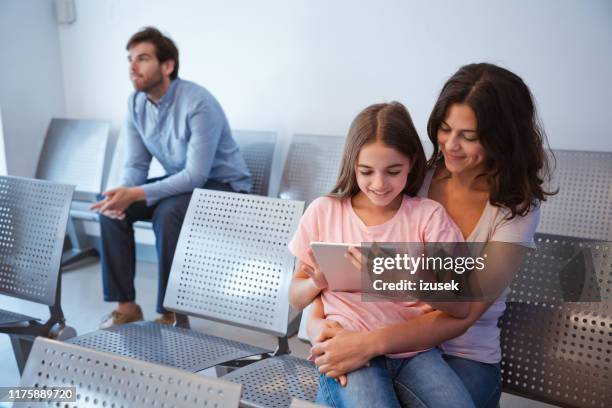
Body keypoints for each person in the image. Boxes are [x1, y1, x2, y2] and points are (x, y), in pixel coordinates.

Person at [307, 63, 553, 408]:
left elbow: (464, 314)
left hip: (464, 352)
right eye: (445, 129)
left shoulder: (515, 209)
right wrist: (318, 322)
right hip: (376, 332)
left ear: (502, 138)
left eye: (468, 136)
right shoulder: (410, 178)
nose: (451, 145)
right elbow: (332, 262)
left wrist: (370, 342)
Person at [288, 102, 477, 408]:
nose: (378, 184)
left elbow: (460, 306)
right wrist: (316, 283)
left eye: (393, 171)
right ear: (352, 165)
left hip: (415, 351)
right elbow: (295, 296)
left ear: (412, 163)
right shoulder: (324, 211)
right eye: (366, 172)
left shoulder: (429, 216)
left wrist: (402, 277)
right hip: (345, 343)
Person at [91, 27, 252, 328]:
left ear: (168, 66)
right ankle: (126, 306)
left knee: (168, 213)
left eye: (143, 58)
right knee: (110, 207)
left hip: (225, 186)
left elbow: (196, 175)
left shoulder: (198, 103)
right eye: (130, 59)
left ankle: (172, 313)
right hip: (184, 182)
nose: (132, 67)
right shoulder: (136, 104)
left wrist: (136, 193)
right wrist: (124, 193)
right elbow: (137, 164)